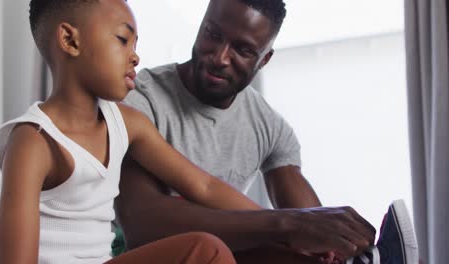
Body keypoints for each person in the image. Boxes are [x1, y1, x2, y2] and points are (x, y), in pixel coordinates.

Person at [117, 0, 419, 263]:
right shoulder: (138, 101)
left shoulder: (268, 126)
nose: (220, 57)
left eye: (243, 49)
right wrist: (287, 226)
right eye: (212, 34)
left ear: (264, 59)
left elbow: (310, 223)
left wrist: (335, 241)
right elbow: (141, 224)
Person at [0, 0, 284, 263]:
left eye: (135, 44)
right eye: (122, 40)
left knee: (250, 251)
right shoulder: (33, 141)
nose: (135, 57)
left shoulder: (127, 123)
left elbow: (203, 186)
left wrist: (287, 228)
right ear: (70, 40)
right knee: (207, 250)